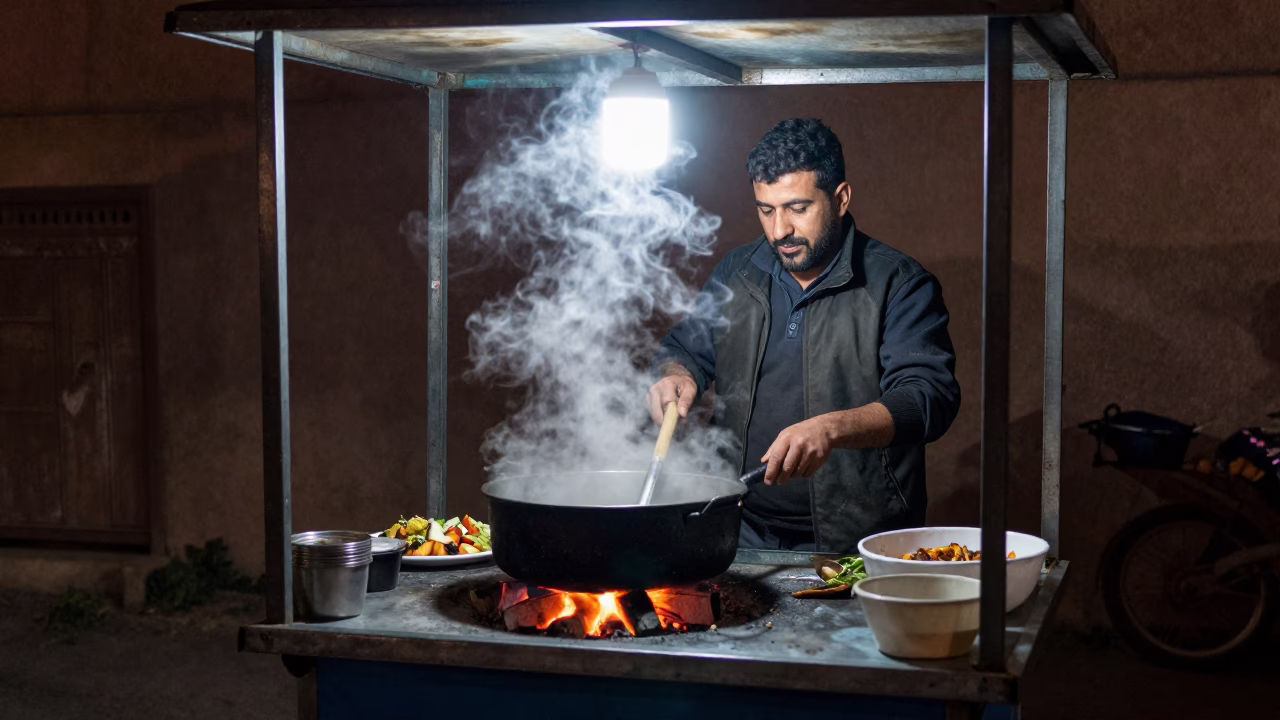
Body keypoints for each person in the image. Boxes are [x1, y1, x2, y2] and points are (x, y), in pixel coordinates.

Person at [647, 118, 961, 552]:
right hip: (739, 528)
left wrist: (832, 428)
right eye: (766, 209)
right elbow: (685, 350)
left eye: (797, 208)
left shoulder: (899, 283)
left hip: (857, 540)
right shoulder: (738, 272)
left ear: (841, 198)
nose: (779, 231)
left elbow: (929, 398)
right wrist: (675, 373)